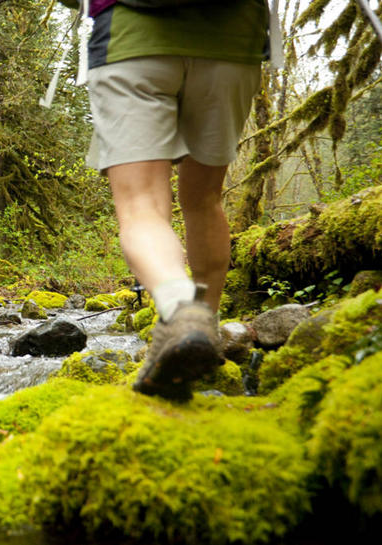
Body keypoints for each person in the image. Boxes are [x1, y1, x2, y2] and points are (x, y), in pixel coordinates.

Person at [65, 0, 269, 399]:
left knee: (141, 204)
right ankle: (204, 322)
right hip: (233, 41)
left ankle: (180, 310)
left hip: (131, 41)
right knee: (204, 199)